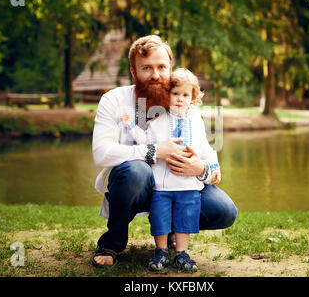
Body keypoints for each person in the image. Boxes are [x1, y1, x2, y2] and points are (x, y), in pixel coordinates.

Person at [91, 34, 238, 267]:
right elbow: (101, 153)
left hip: (177, 185)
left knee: (224, 210)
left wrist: (201, 169)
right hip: (132, 186)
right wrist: (154, 151)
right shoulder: (113, 100)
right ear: (133, 71)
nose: (156, 75)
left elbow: (204, 147)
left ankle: (171, 229)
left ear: (171, 69)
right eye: (146, 68)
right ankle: (112, 243)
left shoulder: (184, 108)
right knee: (137, 171)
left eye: (162, 67)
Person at [120, 68, 221, 271]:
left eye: (185, 95)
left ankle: (182, 253)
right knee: (160, 217)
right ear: (167, 94)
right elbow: (147, 140)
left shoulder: (196, 121)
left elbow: (205, 147)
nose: (180, 99)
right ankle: (161, 252)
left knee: (186, 218)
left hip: (188, 185)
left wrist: (213, 166)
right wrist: (131, 126)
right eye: (175, 94)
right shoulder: (159, 119)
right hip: (162, 184)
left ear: (192, 97)